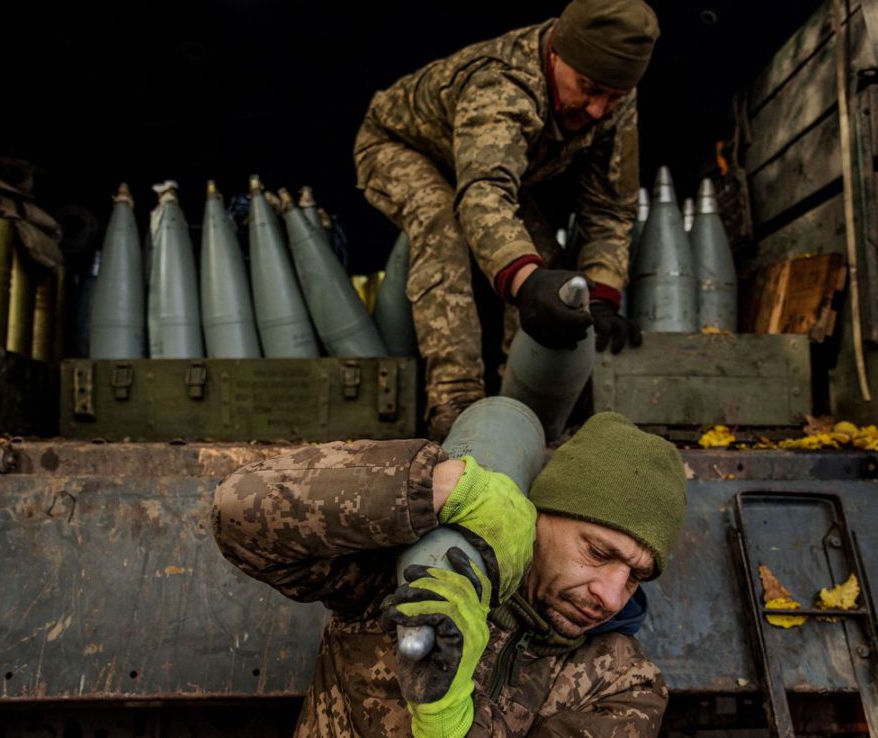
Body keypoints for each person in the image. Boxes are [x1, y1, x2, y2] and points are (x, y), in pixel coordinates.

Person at [213, 412, 687, 737]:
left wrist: (446, 718)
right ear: (538, 514)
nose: (610, 596)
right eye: (599, 552)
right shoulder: (400, 573)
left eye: (635, 577)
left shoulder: (624, 684)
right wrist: (440, 489)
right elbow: (238, 509)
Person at [354, 0, 656, 439]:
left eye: (613, 96)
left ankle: (524, 407)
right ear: (556, 55)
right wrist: (524, 282)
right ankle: (454, 402)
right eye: (588, 88)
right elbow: (483, 193)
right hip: (400, 147)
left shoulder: (613, 94)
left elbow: (610, 206)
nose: (597, 110)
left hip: (478, 165)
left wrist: (601, 294)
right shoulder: (503, 83)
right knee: (443, 226)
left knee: (547, 267)